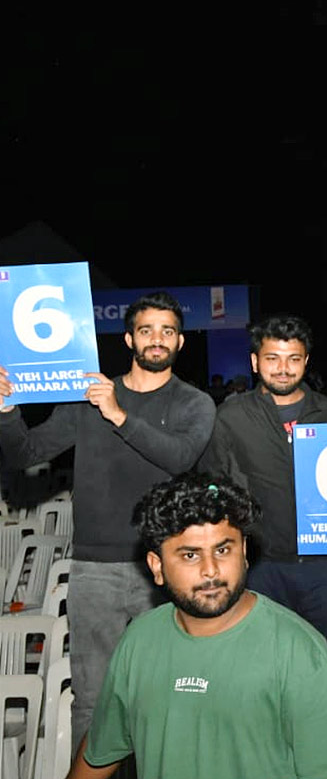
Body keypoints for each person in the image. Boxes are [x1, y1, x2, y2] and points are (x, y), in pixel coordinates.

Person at [50, 473, 327, 779]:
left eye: (223, 549)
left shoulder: (296, 649)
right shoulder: (139, 641)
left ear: (244, 552)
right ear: (157, 567)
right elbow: (102, 748)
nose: (211, 570)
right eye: (190, 555)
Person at [0, 290, 215, 754]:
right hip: (93, 568)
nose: (157, 340)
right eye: (146, 330)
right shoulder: (86, 400)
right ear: (128, 339)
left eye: (167, 331)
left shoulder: (195, 404)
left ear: (180, 343)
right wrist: (6, 410)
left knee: (169, 697)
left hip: (165, 569)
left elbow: (179, 458)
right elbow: (26, 454)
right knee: (92, 701)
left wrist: (118, 414)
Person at [200, 315, 327, 725]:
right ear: (256, 362)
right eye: (273, 358)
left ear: (306, 362)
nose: (283, 368)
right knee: (262, 671)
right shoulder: (230, 416)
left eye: (293, 359)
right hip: (262, 565)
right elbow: (211, 481)